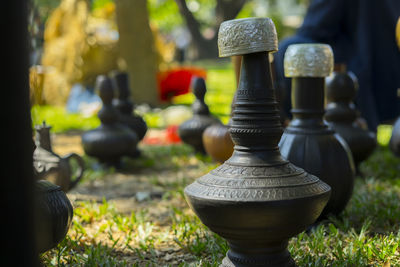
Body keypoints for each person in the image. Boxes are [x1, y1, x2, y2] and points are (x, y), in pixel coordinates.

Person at [273, 0, 400, 132]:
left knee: (290, 49)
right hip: (389, 70)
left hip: (362, 70)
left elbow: (314, 28)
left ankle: (300, 128)